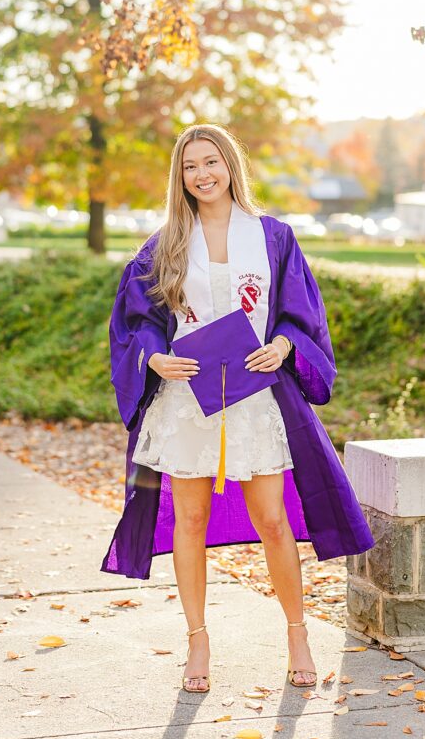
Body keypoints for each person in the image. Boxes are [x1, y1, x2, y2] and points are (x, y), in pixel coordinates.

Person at [101, 123, 375, 694]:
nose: (202, 174)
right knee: (191, 521)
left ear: (230, 165)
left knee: (273, 519)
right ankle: (197, 641)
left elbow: (302, 316)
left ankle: (298, 634)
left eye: (211, 162)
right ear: (180, 176)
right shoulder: (165, 244)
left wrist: (285, 345)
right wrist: (154, 360)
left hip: (254, 396)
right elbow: (136, 323)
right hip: (188, 397)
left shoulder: (273, 237)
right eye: (189, 166)